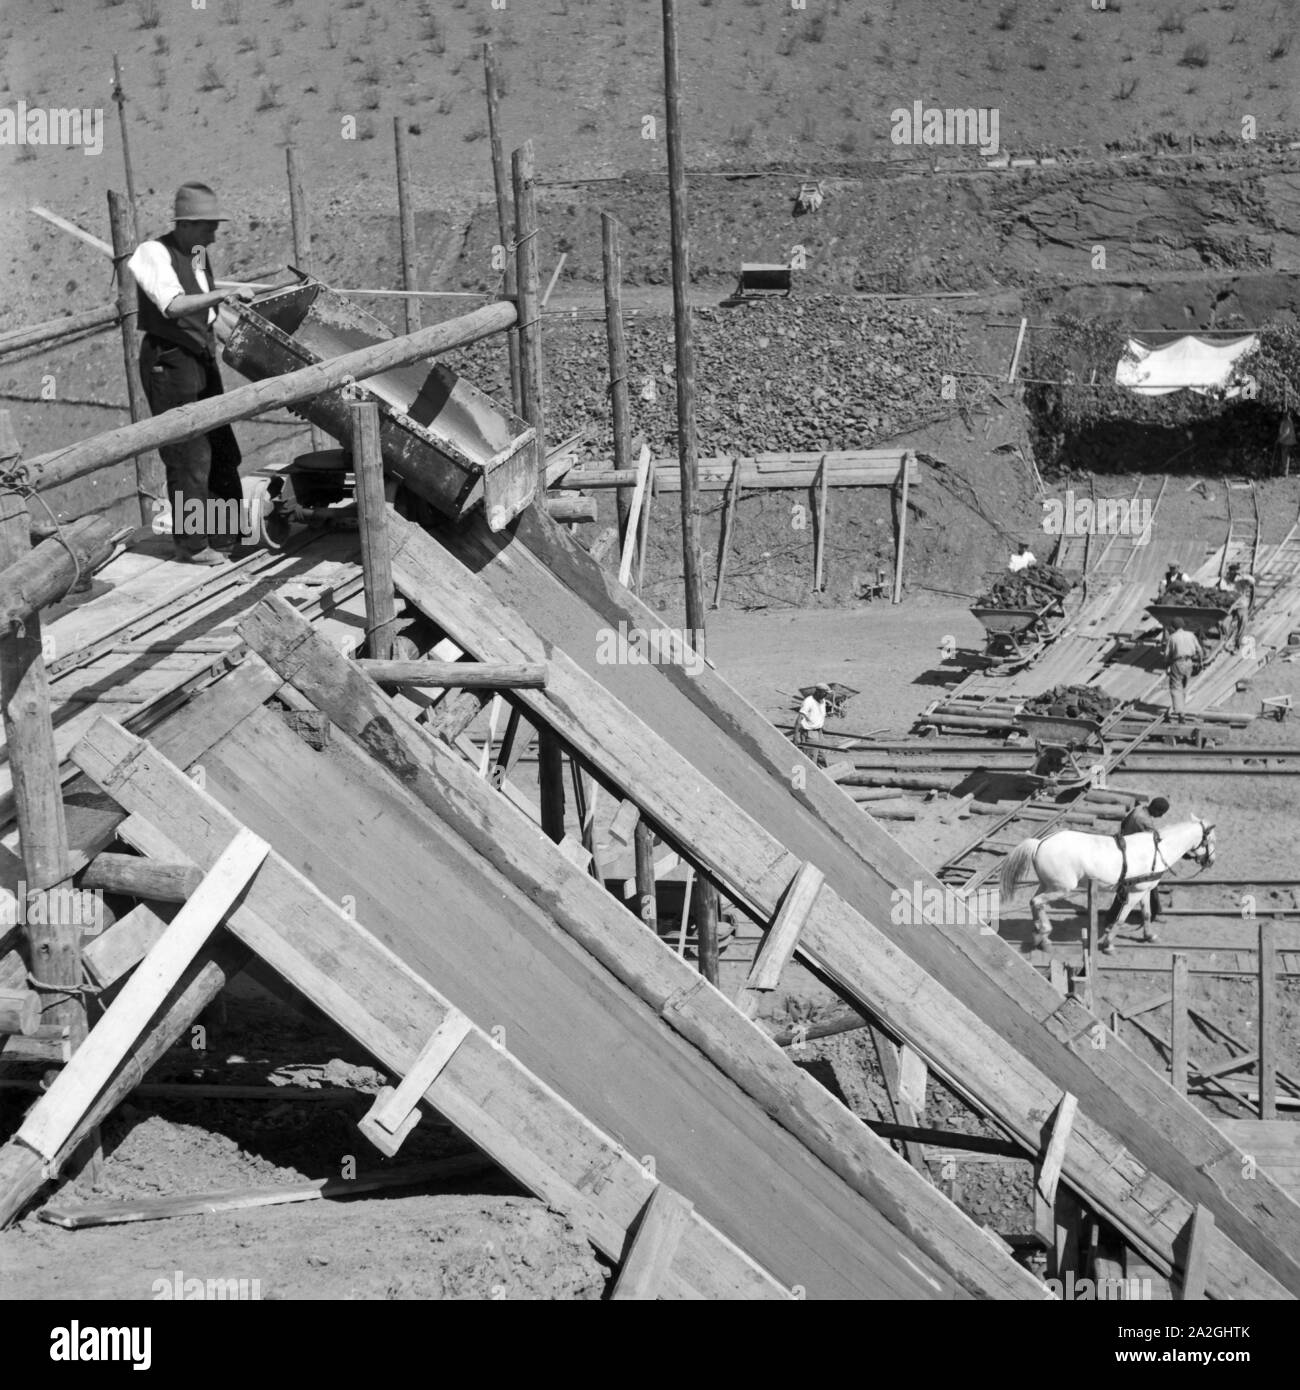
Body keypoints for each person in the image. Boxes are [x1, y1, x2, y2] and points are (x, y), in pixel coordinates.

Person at [128, 182, 252, 565]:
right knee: (188, 453)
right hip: (170, 360)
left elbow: (207, 314)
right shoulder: (152, 253)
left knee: (220, 447)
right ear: (186, 224)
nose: (213, 236)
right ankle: (193, 544)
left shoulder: (197, 255)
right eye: (208, 227)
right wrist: (221, 296)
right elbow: (172, 305)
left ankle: (225, 534)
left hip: (200, 356)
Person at [1119, 796, 1170, 927]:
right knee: (1129, 889)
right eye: (1161, 813)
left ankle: (1154, 913)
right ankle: (1113, 919)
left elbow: (1123, 823)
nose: (1161, 816)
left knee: (1150, 885)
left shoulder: (1139, 808)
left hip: (1125, 847)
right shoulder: (1144, 820)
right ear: (1156, 810)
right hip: (1131, 856)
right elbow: (1154, 840)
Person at [1163, 616, 1203, 724]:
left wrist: (1166, 664)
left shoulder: (1172, 638)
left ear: (1173, 627)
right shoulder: (1191, 635)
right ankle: (1182, 708)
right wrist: (1200, 662)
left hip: (1177, 663)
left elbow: (1167, 655)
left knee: (1175, 687)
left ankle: (1180, 713)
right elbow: (1199, 650)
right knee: (1184, 686)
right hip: (1189, 663)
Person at [796, 684, 830, 761]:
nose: (826, 695)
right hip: (810, 734)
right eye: (825, 693)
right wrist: (796, 737)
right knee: (811, 759)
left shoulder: (823, 701)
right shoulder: (808, 701)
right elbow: (799, 719)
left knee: (822, 757)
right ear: (818, 692)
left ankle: (823, 772)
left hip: (819, 733)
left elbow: (818, 716)